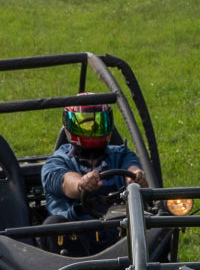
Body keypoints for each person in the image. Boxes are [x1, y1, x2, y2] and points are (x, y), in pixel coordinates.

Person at [40, 99, 148, 255]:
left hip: (119, 231)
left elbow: (132, 167)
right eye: (85, 125)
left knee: (150, 220)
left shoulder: (122, 154)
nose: (92, 131)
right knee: (53, 224)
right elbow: (65, 181)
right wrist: (81, 183)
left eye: (99, 124)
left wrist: (136, 177)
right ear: (69, 127)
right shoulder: (56, 162)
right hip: (75, 235)